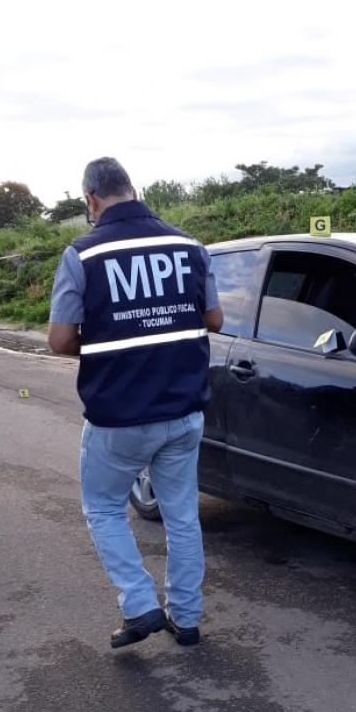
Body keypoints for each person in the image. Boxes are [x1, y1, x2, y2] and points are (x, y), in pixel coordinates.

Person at [48, 157, 223, 649]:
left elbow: (60, 340)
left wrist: (116, 335)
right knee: (183, 517)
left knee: (103, 508)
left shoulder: (81, 256)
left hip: (118, 415)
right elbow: (215, 319)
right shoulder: (189, 246)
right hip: (184, 410)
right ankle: (186, 620)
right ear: (133, 189)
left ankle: (140, 605)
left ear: (91, 200)